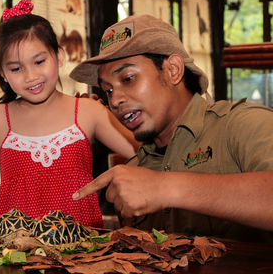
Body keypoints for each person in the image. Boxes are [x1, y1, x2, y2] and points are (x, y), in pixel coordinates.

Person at [69, 14, 273, 243]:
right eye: (108, 90)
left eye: (128, 78)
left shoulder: (241, 126)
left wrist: (166, 188)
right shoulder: (137, 170)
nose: (115, 100)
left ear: (173, 70)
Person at [0, 0, 139, 228]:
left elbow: (143, 156)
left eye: (39, 61)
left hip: (82, 250)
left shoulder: (88, 111)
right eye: (16, 68)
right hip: (14, 252)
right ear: (3, 74)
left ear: (59, 56)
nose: (31, 76)